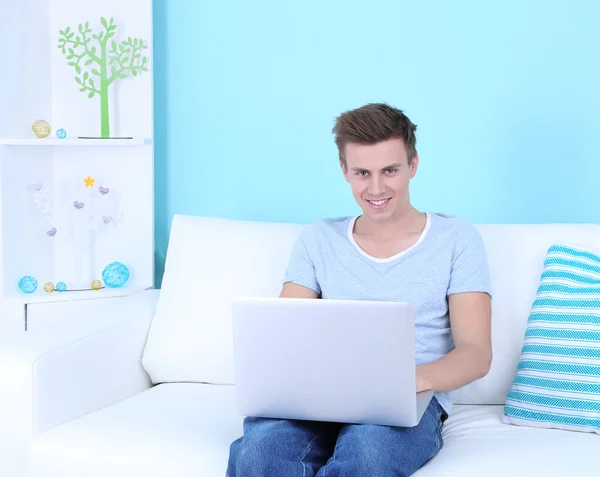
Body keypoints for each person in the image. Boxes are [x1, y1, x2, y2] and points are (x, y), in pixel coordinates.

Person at [226, 102, 492, 476]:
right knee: (261, 454)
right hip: (318, 395)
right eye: (363, 173)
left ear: (413, 165)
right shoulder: (318, 238)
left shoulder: (456, 238)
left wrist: (406, 381)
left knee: (367, 452)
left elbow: (476, 353)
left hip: (408, 398)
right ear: (344, 172)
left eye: (390, 171)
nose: (377, 188)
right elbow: (281, 337)